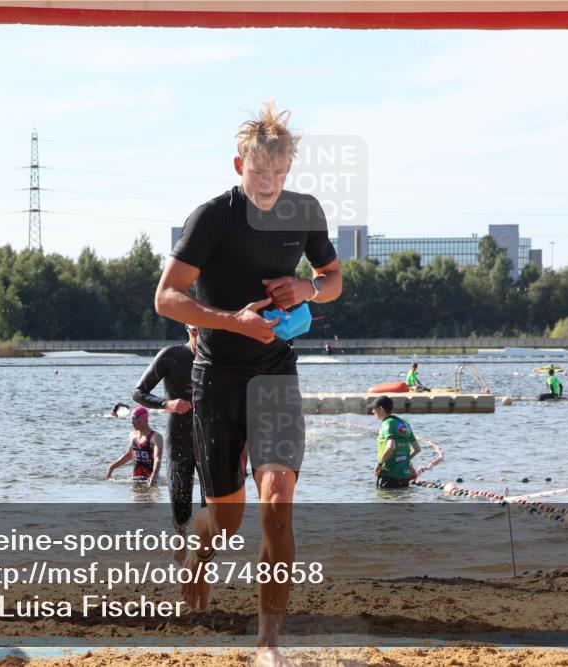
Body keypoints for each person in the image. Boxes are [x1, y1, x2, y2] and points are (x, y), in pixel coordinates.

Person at [155, 100, 342, 667]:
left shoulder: (304, 211)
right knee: (227, 520)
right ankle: (198, 554)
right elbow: (167, 297)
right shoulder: (212, 218)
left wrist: (307, 290)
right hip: (217, 377)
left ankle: (267, 645)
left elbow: (333, 278)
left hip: (275, 373)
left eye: (279, 173)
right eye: (260, 172)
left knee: (278, 501)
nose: (269, 184)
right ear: (240, 166)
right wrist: (233, 321)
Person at [133, 324, 205, 562]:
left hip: (209, 443)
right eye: (195, 330)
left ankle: (201, 559)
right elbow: (139, 393)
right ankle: (181, 536)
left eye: (206, 330)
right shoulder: (171, 356)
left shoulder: (218, 359)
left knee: (211, 506)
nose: (200, 336)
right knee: (180, 503)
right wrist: (167, 404)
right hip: (179, 441)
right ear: (188, 329)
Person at [371, 396, 420, 489]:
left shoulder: (387, 423)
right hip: (404, 475)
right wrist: (405, 460)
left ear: (381, 408)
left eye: (374, 408)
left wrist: (380, 464)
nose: (372, 411)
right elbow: (417, 449)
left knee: (385, 497)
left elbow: (391, 446)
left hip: (388, 474)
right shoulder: (404, 423)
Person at [105, 406, 162, 486]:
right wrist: (112, 467)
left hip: (151, 480)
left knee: (150, 494)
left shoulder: (155, 437)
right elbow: (130, 454)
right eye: (131, 419)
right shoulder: (133, 435)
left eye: (134, 419)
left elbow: (157, 459)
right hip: (135, 478)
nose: (132, 422)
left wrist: (153, 476)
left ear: (144, 418)